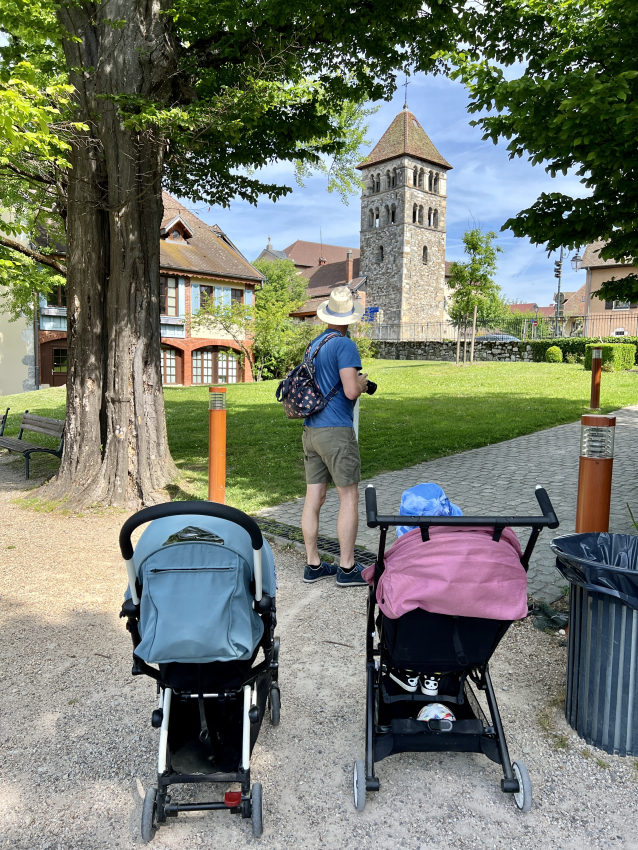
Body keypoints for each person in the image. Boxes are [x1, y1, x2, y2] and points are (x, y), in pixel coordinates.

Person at [301, 286, 369, 587]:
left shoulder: (315, 344)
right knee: (349, 497)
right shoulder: (344, 345)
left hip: (311, 430)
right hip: (336, 431)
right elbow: (351, 389)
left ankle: (313, 564)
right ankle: (346, 567)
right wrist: (363, 384)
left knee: (313, 498)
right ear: (350, 317)